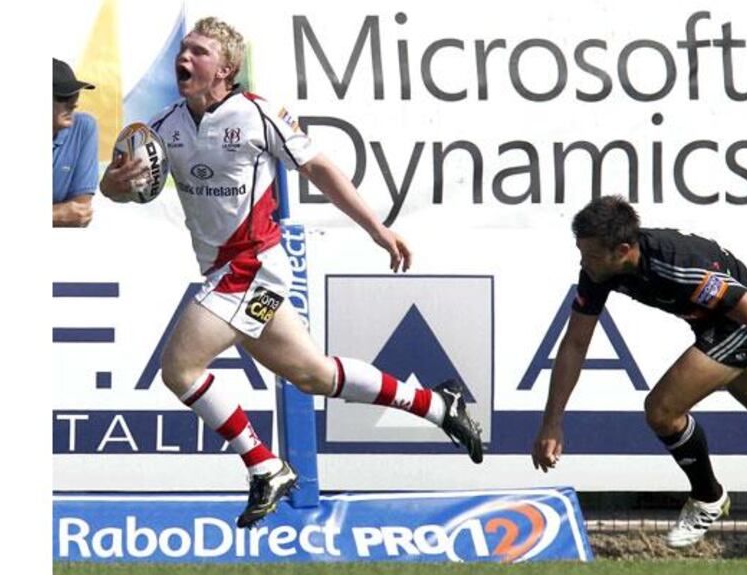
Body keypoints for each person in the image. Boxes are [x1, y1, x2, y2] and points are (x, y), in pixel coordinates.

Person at [99, 17, 483, 529]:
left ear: (226, 69)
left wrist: (376, 227)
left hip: (253, 265)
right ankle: (439, 405)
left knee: (180, 369)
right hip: (228, 275)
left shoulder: (259, 115)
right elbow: (115, 190)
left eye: (199, 51)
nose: (184, 58)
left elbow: (320, 169)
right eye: (184, 49)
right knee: (314, 374)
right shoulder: (165, 126)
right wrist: (117, 181)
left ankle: (264, 466)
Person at [530, 196, 747, 557]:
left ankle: (708, 496)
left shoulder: (677, 263)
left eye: (590, 254)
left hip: (743, 324)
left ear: (623, 249)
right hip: (711, 325)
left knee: (661, 410)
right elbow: (574, 344)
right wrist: (551, 423)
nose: (583, 261)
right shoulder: (598, 270)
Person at [53, 58, 98, 227]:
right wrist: (56, 214)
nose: (73, 102)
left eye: (74, 93)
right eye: (63, 96)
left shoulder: (84, 127)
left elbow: (79, 214)